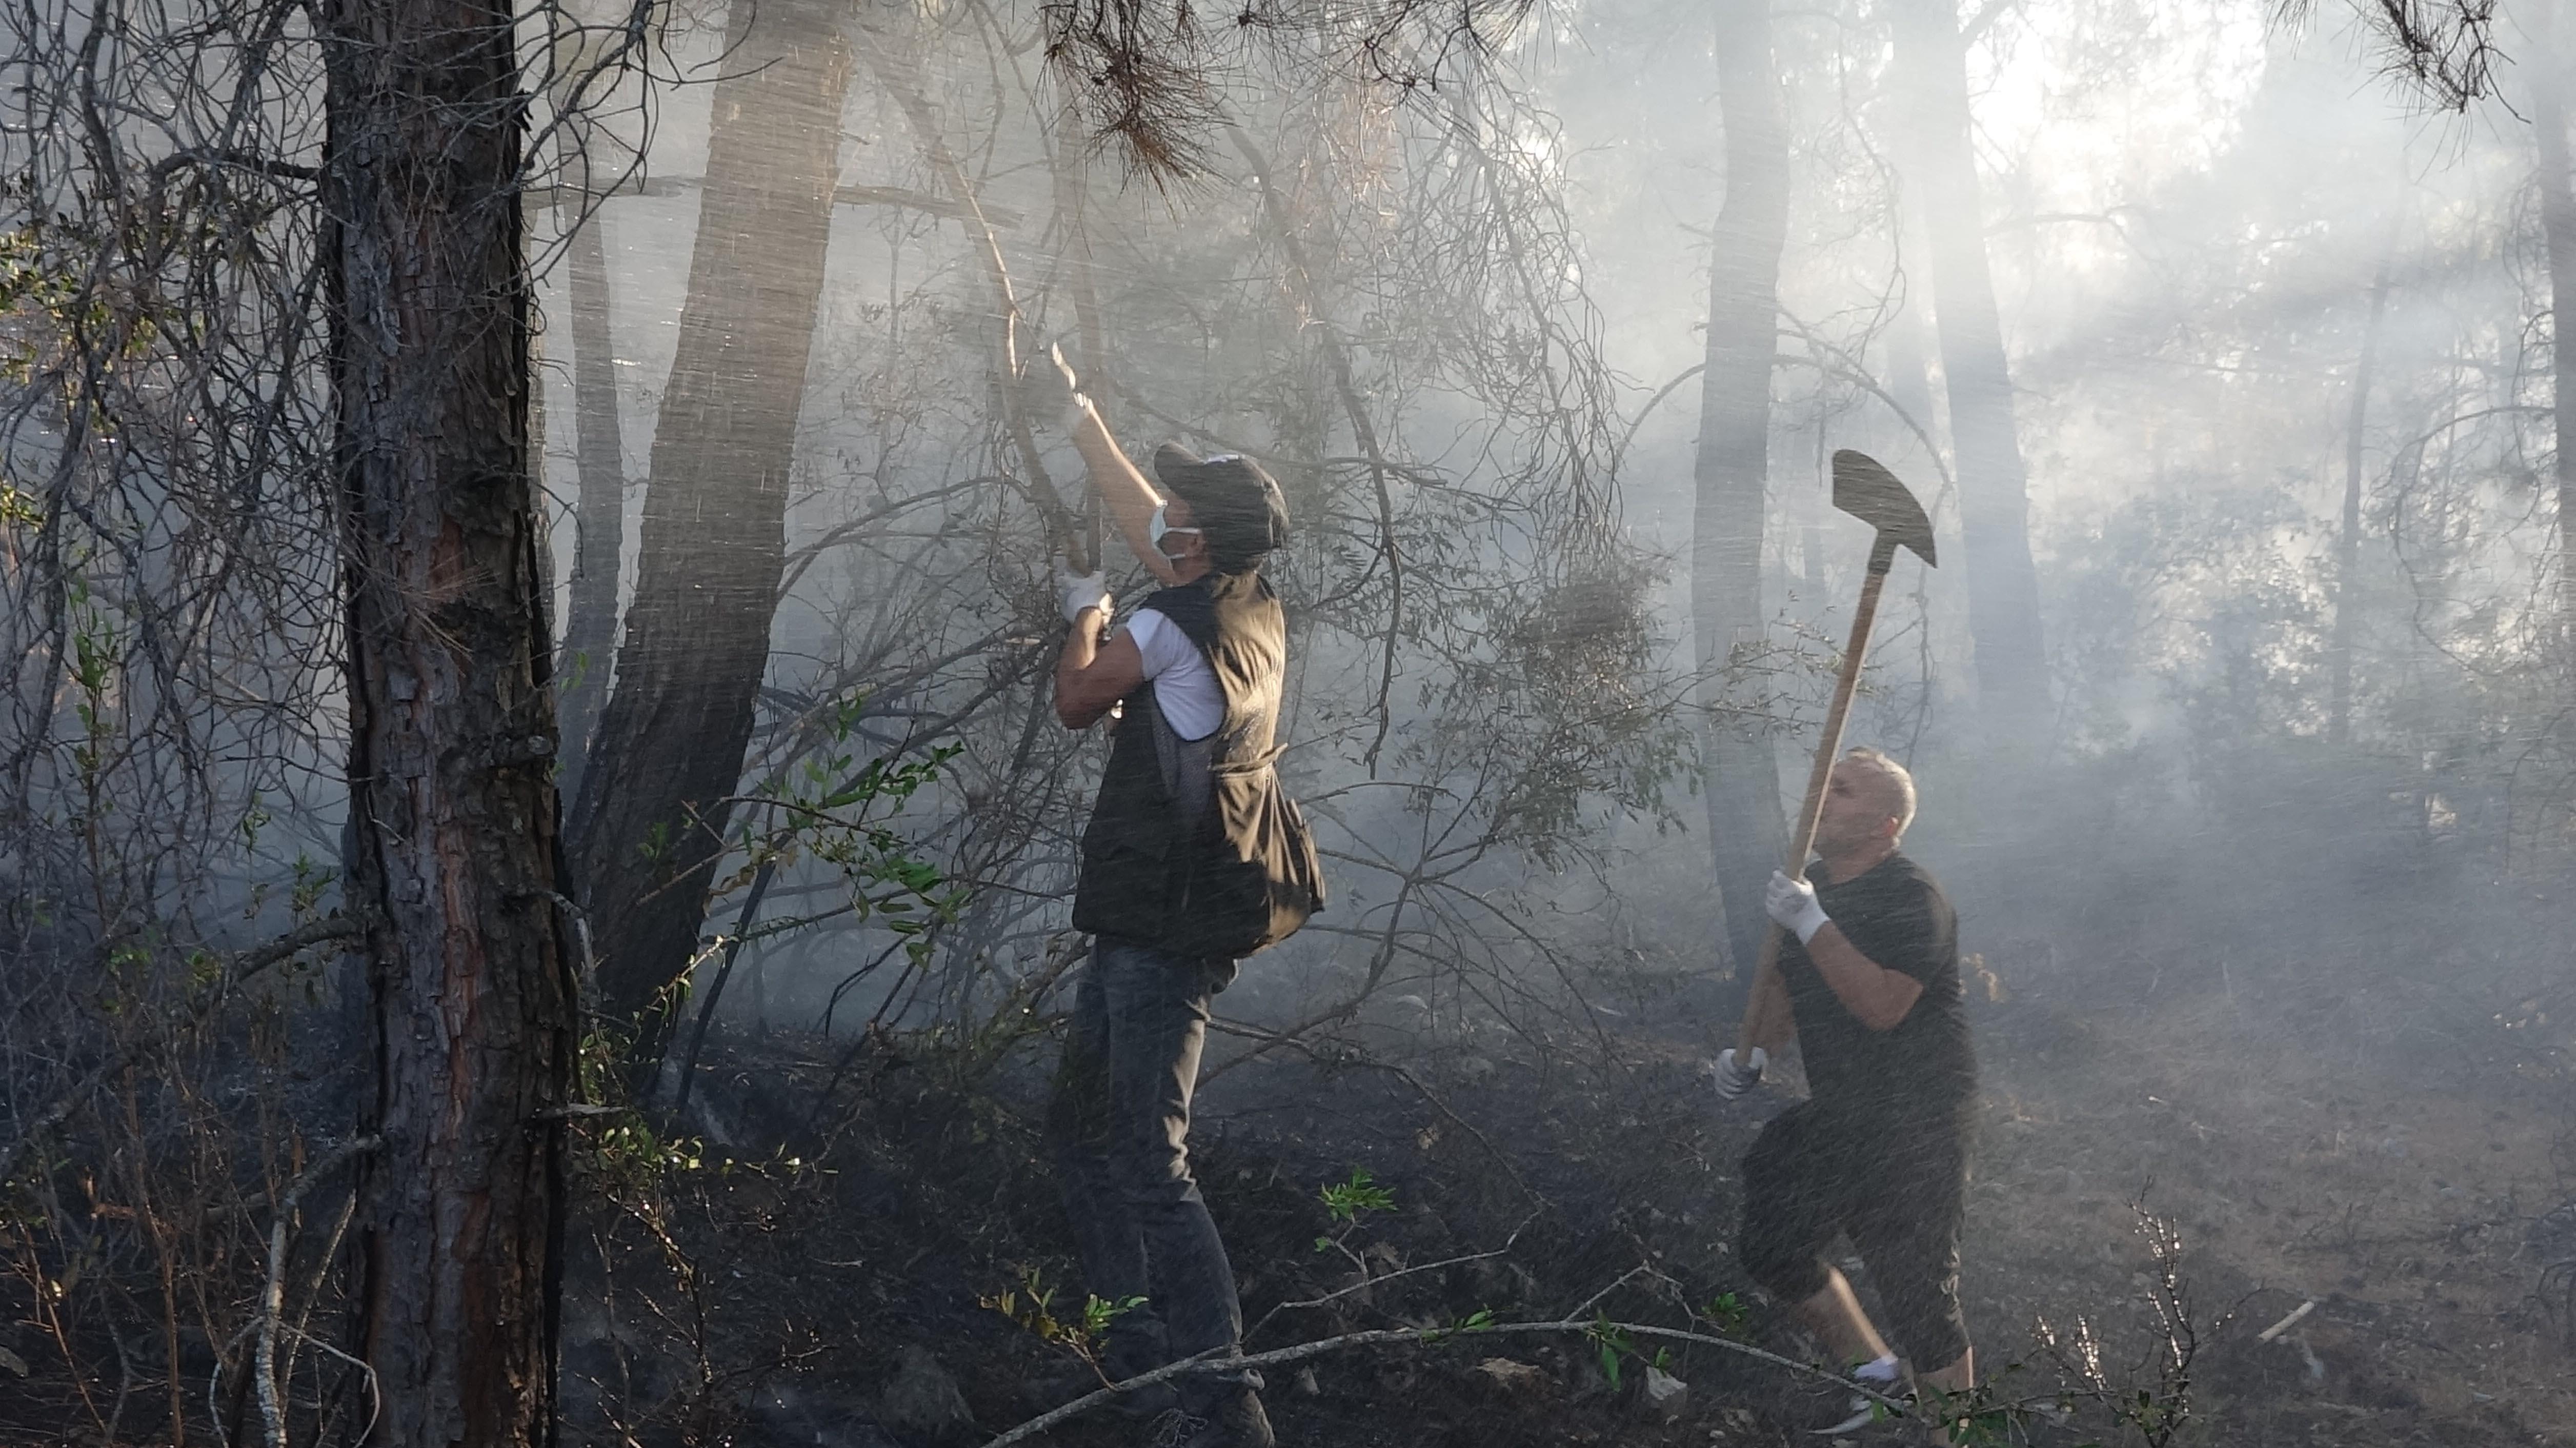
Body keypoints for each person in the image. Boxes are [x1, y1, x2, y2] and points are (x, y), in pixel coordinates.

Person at [1040, 350, 1294, 1448]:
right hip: (1170, 915)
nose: (1167, 513)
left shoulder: (1163, 628)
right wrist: (1078, 414)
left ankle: (1223, 1403)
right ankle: (1137, 1366)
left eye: (1183, 507)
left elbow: (1072, 701)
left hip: (1159, 923)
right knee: (1084, 1131)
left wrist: (1083, 609)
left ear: (1205, 537)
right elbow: (1145, 515)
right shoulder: (1246, 605)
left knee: (1144, 1157)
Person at [1713, 747, 1978, 1436]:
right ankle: (1876, 1376)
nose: (1822, 797)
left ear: (1885, 826)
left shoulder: (1911, 897)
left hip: (1917, 1123)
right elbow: (1782, 987)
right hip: (1843, 1115)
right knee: (1774, 1245)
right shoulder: (1806, 888)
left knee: (1921, 1297)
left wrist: (1812, 921)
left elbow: (1883, 1006)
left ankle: (1957, 1435)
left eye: (1845, 790)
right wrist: (1754, 1053)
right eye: (1822, 784)